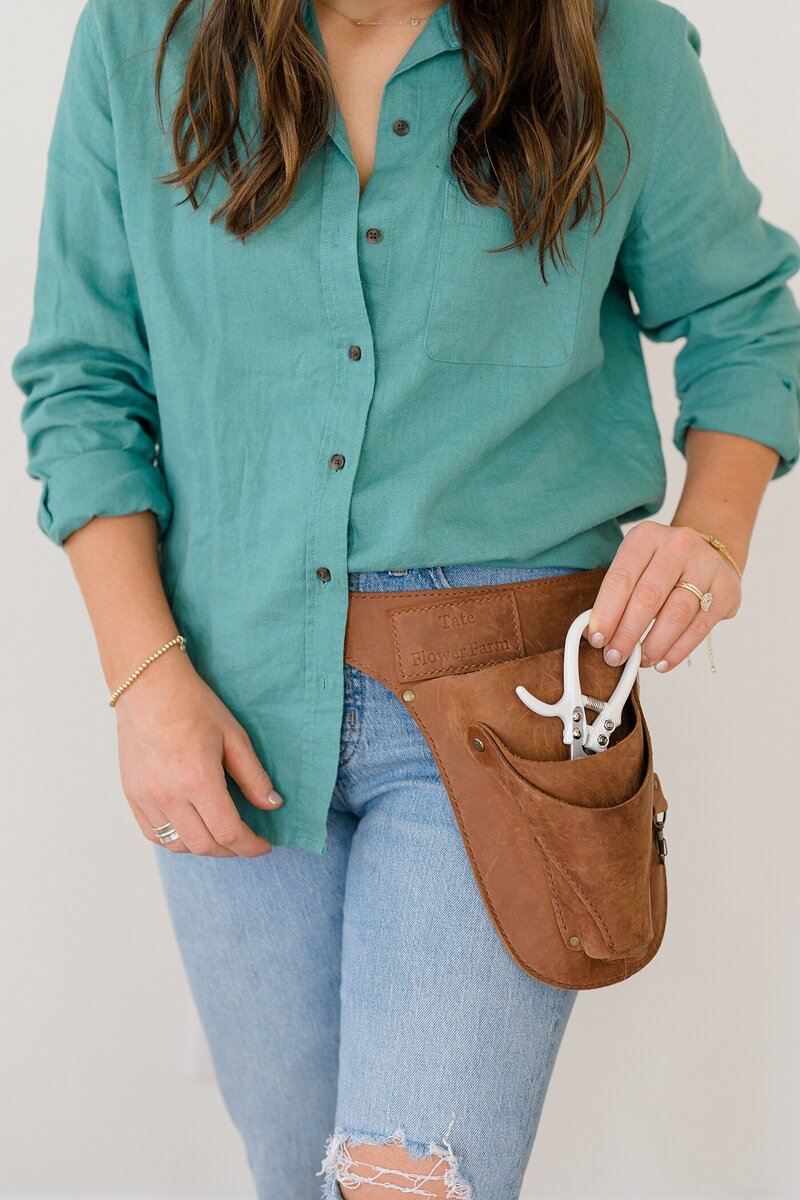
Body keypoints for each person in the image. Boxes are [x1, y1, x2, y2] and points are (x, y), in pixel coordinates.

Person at [11, 0, 800, 1195]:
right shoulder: (143, 34)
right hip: (224, 705)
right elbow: (84, 379)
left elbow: (747, 324)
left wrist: (709, 532)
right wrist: (144, 680)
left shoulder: (607, 36)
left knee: (400, 1185)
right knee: (295, 1175)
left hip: (510, 707)